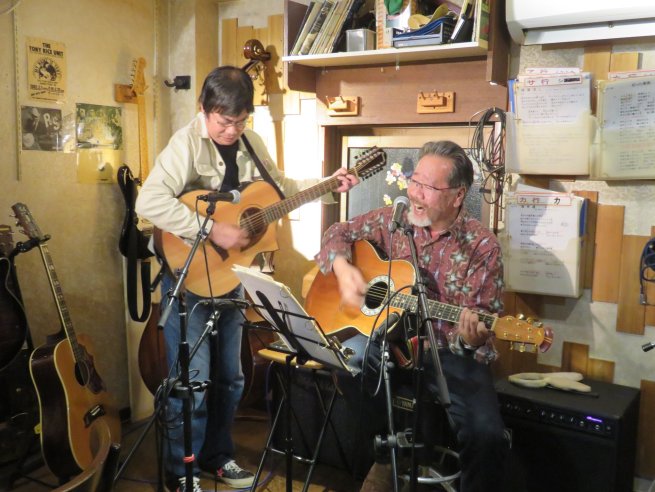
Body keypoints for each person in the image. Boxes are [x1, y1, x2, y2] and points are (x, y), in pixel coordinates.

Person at [135, 66, 358, 492]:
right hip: (189, 277)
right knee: (192, 382)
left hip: (231, 277)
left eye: (240, 121)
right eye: (224, 121)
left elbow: (280, 188)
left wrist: (328, 185)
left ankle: (218, 457)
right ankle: (181, 472)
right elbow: (149, 201)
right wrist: (209, 227)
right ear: (204, 109)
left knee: (231, 378)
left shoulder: (250, 142)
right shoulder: (185, 143)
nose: (232, 130)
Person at [314, 140, 508, 492]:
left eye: (428, 187)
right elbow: (336, 232)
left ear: (458, 195)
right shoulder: (393, 219)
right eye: (414, 181)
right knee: (348, 359)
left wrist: (469, 338)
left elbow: (476, 325)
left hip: (448, 353)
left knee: (487, 434)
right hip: (390, 342)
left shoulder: (482, 246)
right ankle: (388, 452)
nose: (415, 193)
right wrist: (343, 269)